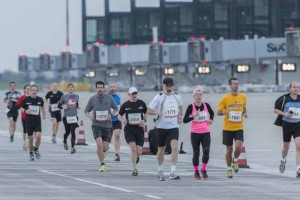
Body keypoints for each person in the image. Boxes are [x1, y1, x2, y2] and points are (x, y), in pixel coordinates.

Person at [147, 77, 184, 181]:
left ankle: (172, 172)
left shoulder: (177, 96)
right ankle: (160, 170)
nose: (169, 88)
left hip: (174, 126)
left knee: (175, 146)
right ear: (163, 86)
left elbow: (181, 106)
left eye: (170, 86)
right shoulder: (159, 97)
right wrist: (156, 112)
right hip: (161, 127)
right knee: (161, 149)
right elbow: (148, 110)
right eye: (167, 86)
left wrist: (180, 115)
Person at [217, 77, 247, 178]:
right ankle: (229, 169)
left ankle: (235, 160)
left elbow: (244, 109)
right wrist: (224, 112)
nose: (236, 85)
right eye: (234, 84)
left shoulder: (243, 97)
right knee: (229, 149)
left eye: (237, 83)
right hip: (228, 128)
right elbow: (218, 112)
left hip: (239, 127)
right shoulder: (225, 98)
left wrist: (245, 113)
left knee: (238, 147)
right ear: (230, 86)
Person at [84, 81, 118, 172]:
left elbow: (116, 108)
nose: (100, 89)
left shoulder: (109, 98)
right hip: (96, 124)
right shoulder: (92, 99)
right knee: (99, 144)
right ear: (96, 88)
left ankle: (102, 156)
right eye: (98, 87)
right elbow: (86, 111)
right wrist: (89, 116)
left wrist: (112, 114)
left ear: (104, 88)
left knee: (105, 147)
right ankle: (102, 164)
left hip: (107, 125)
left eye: (101, 87)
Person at [183, 88, 214, 180]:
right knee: (196, 153)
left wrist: (211, 120)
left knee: (206, 151)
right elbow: (184, 120)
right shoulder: (190, 107)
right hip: (195, 133)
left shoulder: (206, 105)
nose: (199, 96)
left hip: (205, 132)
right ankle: (196, 171)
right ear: (193, 96)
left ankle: (203, 169)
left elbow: (211, 113)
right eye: (197, 95)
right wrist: (193, 116)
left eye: (200, 95)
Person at [118, 87, 147, 176]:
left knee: (139, 151)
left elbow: (146, 112)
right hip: (129, 130)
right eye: (132, 94)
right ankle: (134, 169)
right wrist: (122, 120)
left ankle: (137, 157)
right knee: (133, 149)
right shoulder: (125, 105)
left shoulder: (141, 103)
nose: (134, 95)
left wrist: (144, 120)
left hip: (139, 129)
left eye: (135, 93)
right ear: (129, 95)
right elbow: (119, 115)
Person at [274, 81, 300, 178]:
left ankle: (298, 169)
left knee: (299, 146)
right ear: (290, 88)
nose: (296, 89)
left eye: (297, 87)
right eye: (294, 87)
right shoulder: (284, 98)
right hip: (287, 125)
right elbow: (275, 110)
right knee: (286, 147)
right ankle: (283, 160)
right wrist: (285, 114)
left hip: (298, 125)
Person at [20, 85, 46, 161]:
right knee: (30, 139)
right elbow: (21, 108)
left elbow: (42, 106)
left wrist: (44, 113)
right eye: (33, 90)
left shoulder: (40, 99)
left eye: (36, 90)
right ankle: (31, 153)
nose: (34, 91)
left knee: (38, 136)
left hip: (37, 120)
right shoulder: (26, 99)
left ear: (37, 91)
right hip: (29, 121)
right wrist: (25, 111)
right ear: (30, 91)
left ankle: (36, 149)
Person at [59, 83, 80, 154]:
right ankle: (64, 141)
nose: (71, 88)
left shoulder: (76, 96)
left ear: (73, 89)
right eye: (69, 87)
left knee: (73, 132)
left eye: (72, 87)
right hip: (66, 117)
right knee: (67, 132)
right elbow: (59, 105)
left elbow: (76, 104)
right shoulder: (64, 97)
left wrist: (78, 106)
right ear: (67, 89)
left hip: (74, 116)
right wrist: (62, 107)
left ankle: (72, 148)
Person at [108, 82, 122, 161]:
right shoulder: (105, 97)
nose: (112, 88)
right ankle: (104, 150)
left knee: (117, 136)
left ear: (115, 88)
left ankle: (117, 153)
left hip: (117, 119)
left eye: (113, 86)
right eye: (111, 87)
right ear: (108, 88)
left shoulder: (118, 97)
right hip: (108, 121)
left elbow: (121, 107)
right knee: (108, 139)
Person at [17, 84, 31, 151]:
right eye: (27, 88)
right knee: (25, 130)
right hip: (24, 116)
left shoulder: (32, 97)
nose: (28, 90)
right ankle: (25, 142)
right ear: (24, 89)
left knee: (31, 130)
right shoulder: (22, 97)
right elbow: (18, 106)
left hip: (32, 117)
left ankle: (29, 142)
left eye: (29, 88)